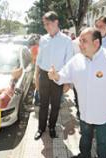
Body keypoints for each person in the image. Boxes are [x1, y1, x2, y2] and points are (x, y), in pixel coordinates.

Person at [48, 27, 106, 158]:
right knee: (85, 136)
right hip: (85, 112)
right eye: (80, 41)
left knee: (103, 141)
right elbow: (63, 75)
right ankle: (85, 154)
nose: (80, 44)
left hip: (105, 115)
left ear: (96, 43)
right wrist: (55, 75)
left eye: (84, 41)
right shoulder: (77, 60)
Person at [34, 11, 74, 140]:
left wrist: (67, 82)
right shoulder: (43, 39)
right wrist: (36, 76)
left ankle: (51, 127)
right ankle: (41, 128)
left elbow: (69, 62)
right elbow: (39, 60)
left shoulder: (67, 40)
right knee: (43, 104)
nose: (46, 27)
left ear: (56, 22)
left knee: (56, 105)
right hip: (44, 76)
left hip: (58, 76)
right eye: (44, 24)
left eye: (48, 24)